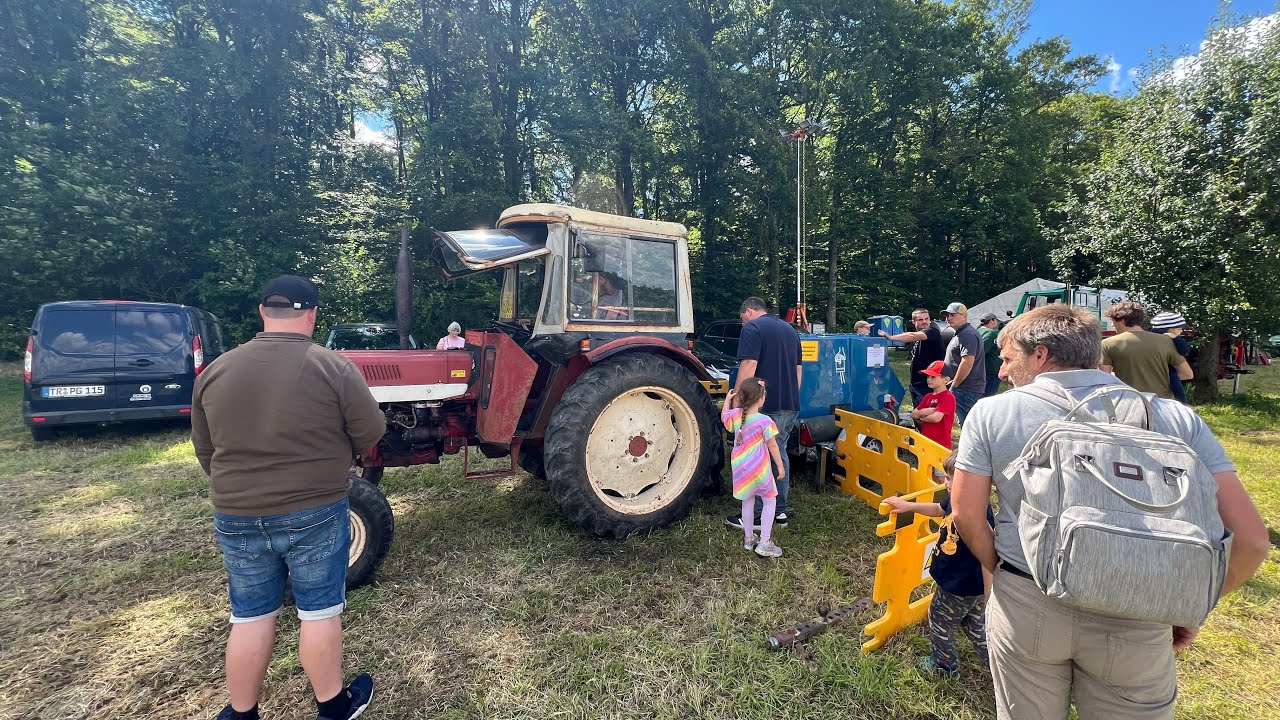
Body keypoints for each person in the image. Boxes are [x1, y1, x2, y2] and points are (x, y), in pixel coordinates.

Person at [949, 304, 1269, 720]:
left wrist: (1007, 574)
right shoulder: (1176, 417)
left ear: (1041, 354)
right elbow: (1252, 540)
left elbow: (966, 514)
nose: (1004, 373)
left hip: (1030, 598)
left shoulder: (995, 412)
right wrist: (1188, 601)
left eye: (1009, 359)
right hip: (1140, 609)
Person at [192, 275, 388, 720]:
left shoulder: (216, 371)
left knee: (250, 615)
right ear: (313, 314)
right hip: (314, 509)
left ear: (263, 312)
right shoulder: (332, 366)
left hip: (236, 513)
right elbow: (371, 430)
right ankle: (334, 708)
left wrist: (242, 489)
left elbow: (207, 451)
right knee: (319, 613)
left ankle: (241, 713)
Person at [884, 450, 993, 677]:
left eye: (952, 477)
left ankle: (944, 667)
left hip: (959, 586)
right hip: (967, 588)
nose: (945, 481)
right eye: (947, 475)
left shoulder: (976, 514)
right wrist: (910, 506)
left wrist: (990, 594)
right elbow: (940, 509)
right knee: (974, 626)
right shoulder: (959, 501)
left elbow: (988, 555)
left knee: (940, 619)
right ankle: (998, 664)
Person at [726, 297, 801, 531]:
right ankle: (779, 512)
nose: (742, 323)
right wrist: (791, 395)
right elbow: (799, 369)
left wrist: (738, 399)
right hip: (790, 402)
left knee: (759, 458)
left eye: (742, 319)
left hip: (763, 405)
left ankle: (758, 516)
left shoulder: (753, 328)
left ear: (748, 311)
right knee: (779, 453)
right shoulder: (790, 330)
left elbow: (748, 364)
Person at [722, 377, 786, 558]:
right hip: (760, 469)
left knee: (747, 501)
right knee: (769, 499)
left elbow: (724, 417)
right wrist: (780, 467)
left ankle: (749, 539)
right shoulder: (765, 421)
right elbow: (773, 446)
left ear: (741, 398)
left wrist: (727, 400)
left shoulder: (735, 416)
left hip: (741, 469)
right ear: (761, 399)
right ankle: (765, 542)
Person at [1100, 301, 1192, 399]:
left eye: (1113, 322)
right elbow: (1187, 374)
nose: (1113, 325)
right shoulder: (1166, 341)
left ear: (1122, 320)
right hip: (1163, 403)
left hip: (1129, 402)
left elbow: (1105, 380)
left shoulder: (1107, 344)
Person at [880, 308, 946, 407]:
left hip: (929, 385)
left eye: (926, 319)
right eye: (920, 320)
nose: (924, 322)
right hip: (916, 384)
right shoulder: (920, 336)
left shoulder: (932, 332)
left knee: (925, 415)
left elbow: (911, 336)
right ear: (913, 321)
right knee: (917, 414)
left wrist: (890, 337)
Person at [940, 302, 986, 425]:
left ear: (964, 316)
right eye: (947, 315)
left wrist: (954, 386)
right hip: (965, 388)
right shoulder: (962, 333)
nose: (949, 318)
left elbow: (967, 362)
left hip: (966, 389)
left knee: (968, 426)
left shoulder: (967, 334)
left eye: (953, 315)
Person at [910, 360, 956, 449]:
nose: (928, 379)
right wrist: (926, 411)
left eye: (933, 377)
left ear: (946, 379)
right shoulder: (928, 396)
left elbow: (936, 418)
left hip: (941, 444)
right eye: (928, 376)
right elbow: (913, 414)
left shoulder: (947, 397)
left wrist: (920, 416)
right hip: (926, 440)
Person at [1151, 311, 1193, 403]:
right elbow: (1185, 350)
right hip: (1168, 369)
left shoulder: (1151, 338)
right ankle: (1182, 405)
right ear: (1170, 330)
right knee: (1177, 388)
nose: (1182, 331)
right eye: (1180, 328)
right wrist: (1175, 338)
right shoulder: (1171, 339)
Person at [978, 312, 1002, 397]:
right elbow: (982, 351)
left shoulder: (978, 331)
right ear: (992, 320)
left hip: (981, 370)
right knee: (988, 396)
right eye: (996, 320)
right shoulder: (991, 333)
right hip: (991, 370)